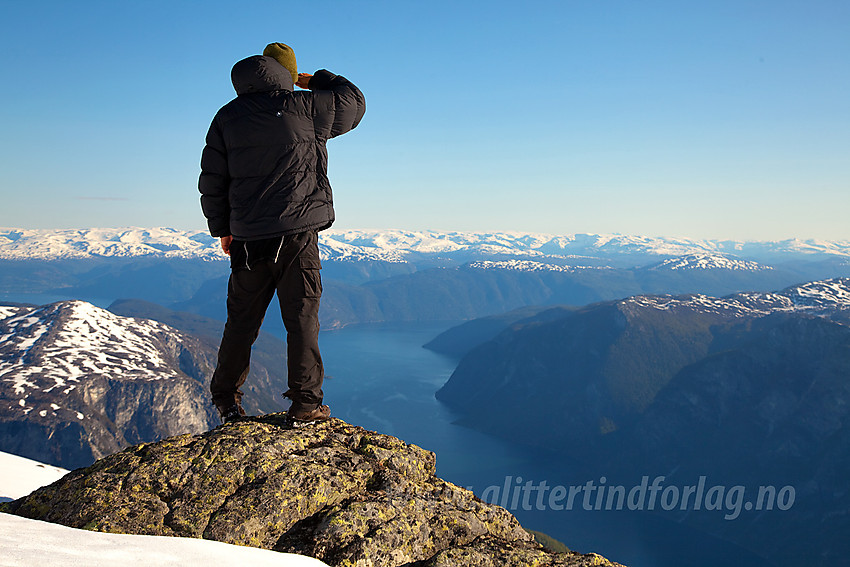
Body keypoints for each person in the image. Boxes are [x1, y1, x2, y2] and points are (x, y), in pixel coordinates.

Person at [198, 43, 365, 426]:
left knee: (241, 321)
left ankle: (226, 400)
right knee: (302, 318)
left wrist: (223, 229)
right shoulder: (307, 108)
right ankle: (306, 405)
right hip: (296, 234)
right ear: (289, 76)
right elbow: (354, 102)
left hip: (246, 237)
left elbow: (213, 179)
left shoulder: (226, 116)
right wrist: (318, 80)